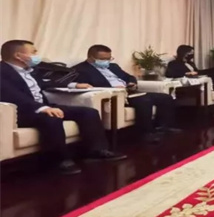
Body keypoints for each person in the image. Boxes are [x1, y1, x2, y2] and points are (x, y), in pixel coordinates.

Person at [0, 40, 126, 174]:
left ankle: (96, 151)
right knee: (51, 118)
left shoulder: (29, 70)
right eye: (33, 52)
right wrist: (42, 108)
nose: (37, 55)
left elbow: (45, 83)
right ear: (18, 56)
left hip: (42, 106)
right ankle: (57, 161)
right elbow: (13, 95)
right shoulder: (3, 71)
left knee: (88, 113)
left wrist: (74, 85)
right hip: (21, 112)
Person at [73, 45, 178, 142]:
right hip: (115, 95)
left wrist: (132, 83)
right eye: (103, 59)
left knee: (165, 98)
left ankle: (163, 128)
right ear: (91, 58)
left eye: (109, 58)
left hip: (129, 91)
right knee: (145, 101)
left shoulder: (113, 67)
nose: (107, 61)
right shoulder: (80, 70)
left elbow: (129, 77)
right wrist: (113, 88)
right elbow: (88, 86)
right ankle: (146, 134)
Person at [165, 45, 214, 117]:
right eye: (190, 53)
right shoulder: (173, 63)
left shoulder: (191, 63)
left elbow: (197, 71)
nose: (192, 54)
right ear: (184, 53)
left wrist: (203, 72)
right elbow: (169, 74)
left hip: (197, 76)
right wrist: (186, 73)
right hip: (189, 81)